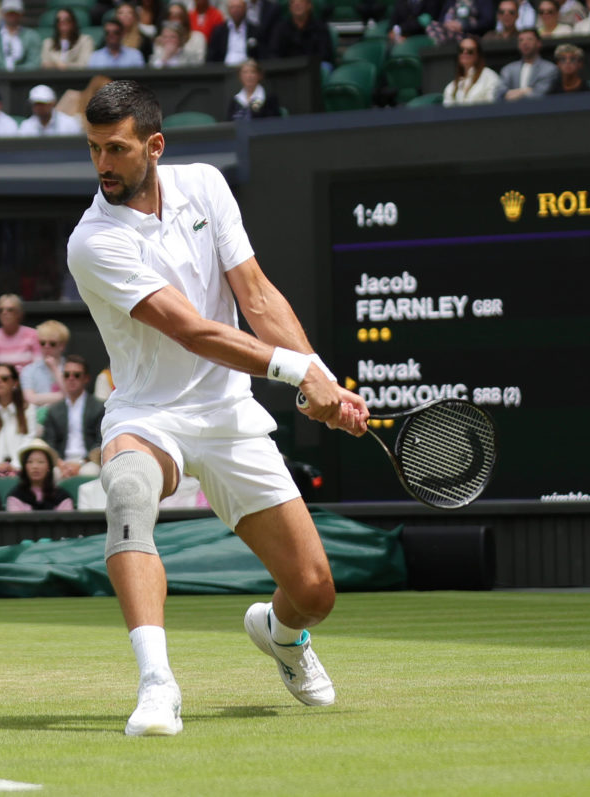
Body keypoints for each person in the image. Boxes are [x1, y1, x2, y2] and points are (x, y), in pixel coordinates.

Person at [66, 81, 368, 736]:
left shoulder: (205, 185)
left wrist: (321, 378)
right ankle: (156, 684)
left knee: (314, 591)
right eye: (92, 149)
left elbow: (256, 297)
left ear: (154, 145)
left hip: (228, 413)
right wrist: (296, 374)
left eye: (115, 149)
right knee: (126, 489)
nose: (102, 165)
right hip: (148, 414)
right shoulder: (92, 241)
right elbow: (193, 330)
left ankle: (282, 636)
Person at [41, 354, 104, 479]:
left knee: (89, 472)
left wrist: (80, 464)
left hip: (89, 462)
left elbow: (100, 442)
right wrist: (61, 464)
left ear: (86, 378)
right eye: (66, 375)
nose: (71, 378)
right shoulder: (53, 410)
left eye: (76, 375)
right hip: (61, 463)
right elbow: (49, 442)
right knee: (50, 474)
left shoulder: (99, 407)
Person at [5, 438, 73, 511]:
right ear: (25, 467)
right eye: (30, 462)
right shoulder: (16, 496)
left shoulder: (62, 497)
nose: (35, 466)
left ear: (49, 467)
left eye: (41, 462)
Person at [496, 28, 558, 100]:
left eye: (529, 39)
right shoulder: (508, 69)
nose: (525, 43)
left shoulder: (549, 69)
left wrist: (514, 94)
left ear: (539, 43)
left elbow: (540, 94)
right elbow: (499, 94)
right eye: (521, 40)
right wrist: (526, 91)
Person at [19, 319, 69, 407]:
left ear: (62, 345)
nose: (46, 347)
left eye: (52, 343)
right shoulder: (29, 370)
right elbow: (30, 398)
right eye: (42, 343)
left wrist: (54, 369)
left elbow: (73, 396)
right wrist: (64, 395)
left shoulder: (71, 367)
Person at [0, 293, 40, 369]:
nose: (4, 313)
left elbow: (39, 365)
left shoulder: (34, 335)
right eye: (0, 310)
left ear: (19, 313)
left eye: (10, 310)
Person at [0, 0, 41, 70]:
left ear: (21, 14)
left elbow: (34, 63)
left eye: (15, 13)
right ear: (2, 13)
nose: (12, 16)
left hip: (24, 79)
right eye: (8, 13)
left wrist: (16, 73)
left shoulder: (31, 36)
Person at [269, 0, 334, 65]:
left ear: (309, 5)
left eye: (301, 2)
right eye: (293, 2)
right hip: (287, 69)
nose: (297, 4)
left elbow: (325, 54)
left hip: (313, 68)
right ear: (290, 7)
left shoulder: (320, 28)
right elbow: (274, 53)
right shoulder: (280, 29)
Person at [442, 36, 502, 105]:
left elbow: (492, 103)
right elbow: (447, 111)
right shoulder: (451, 86)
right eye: (461, 50)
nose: (465, 53)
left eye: (470, 51)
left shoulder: (489, 76)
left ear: (477, 55)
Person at [207, 0, 260, 66]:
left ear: (245, 9)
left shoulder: (255, 30)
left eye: (239, 7)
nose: (236, 10)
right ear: (228, 10)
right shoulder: (219, 30)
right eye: (233, 7)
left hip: (247, 70)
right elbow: (212, 55)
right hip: (223, 70)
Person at [19, 83, 84, 136]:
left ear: (52, 103)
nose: (38, 107)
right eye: (35, 104)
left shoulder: (69, 124)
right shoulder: (26, 126)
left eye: (42, 103)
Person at [428, 0, 496, 44]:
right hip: (448, 34)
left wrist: (463, 26)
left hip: (471, 35)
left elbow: (488, 21)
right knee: (432, 26)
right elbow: (441, 19)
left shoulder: (483, 2)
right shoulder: (451, 2)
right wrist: (448, 25)